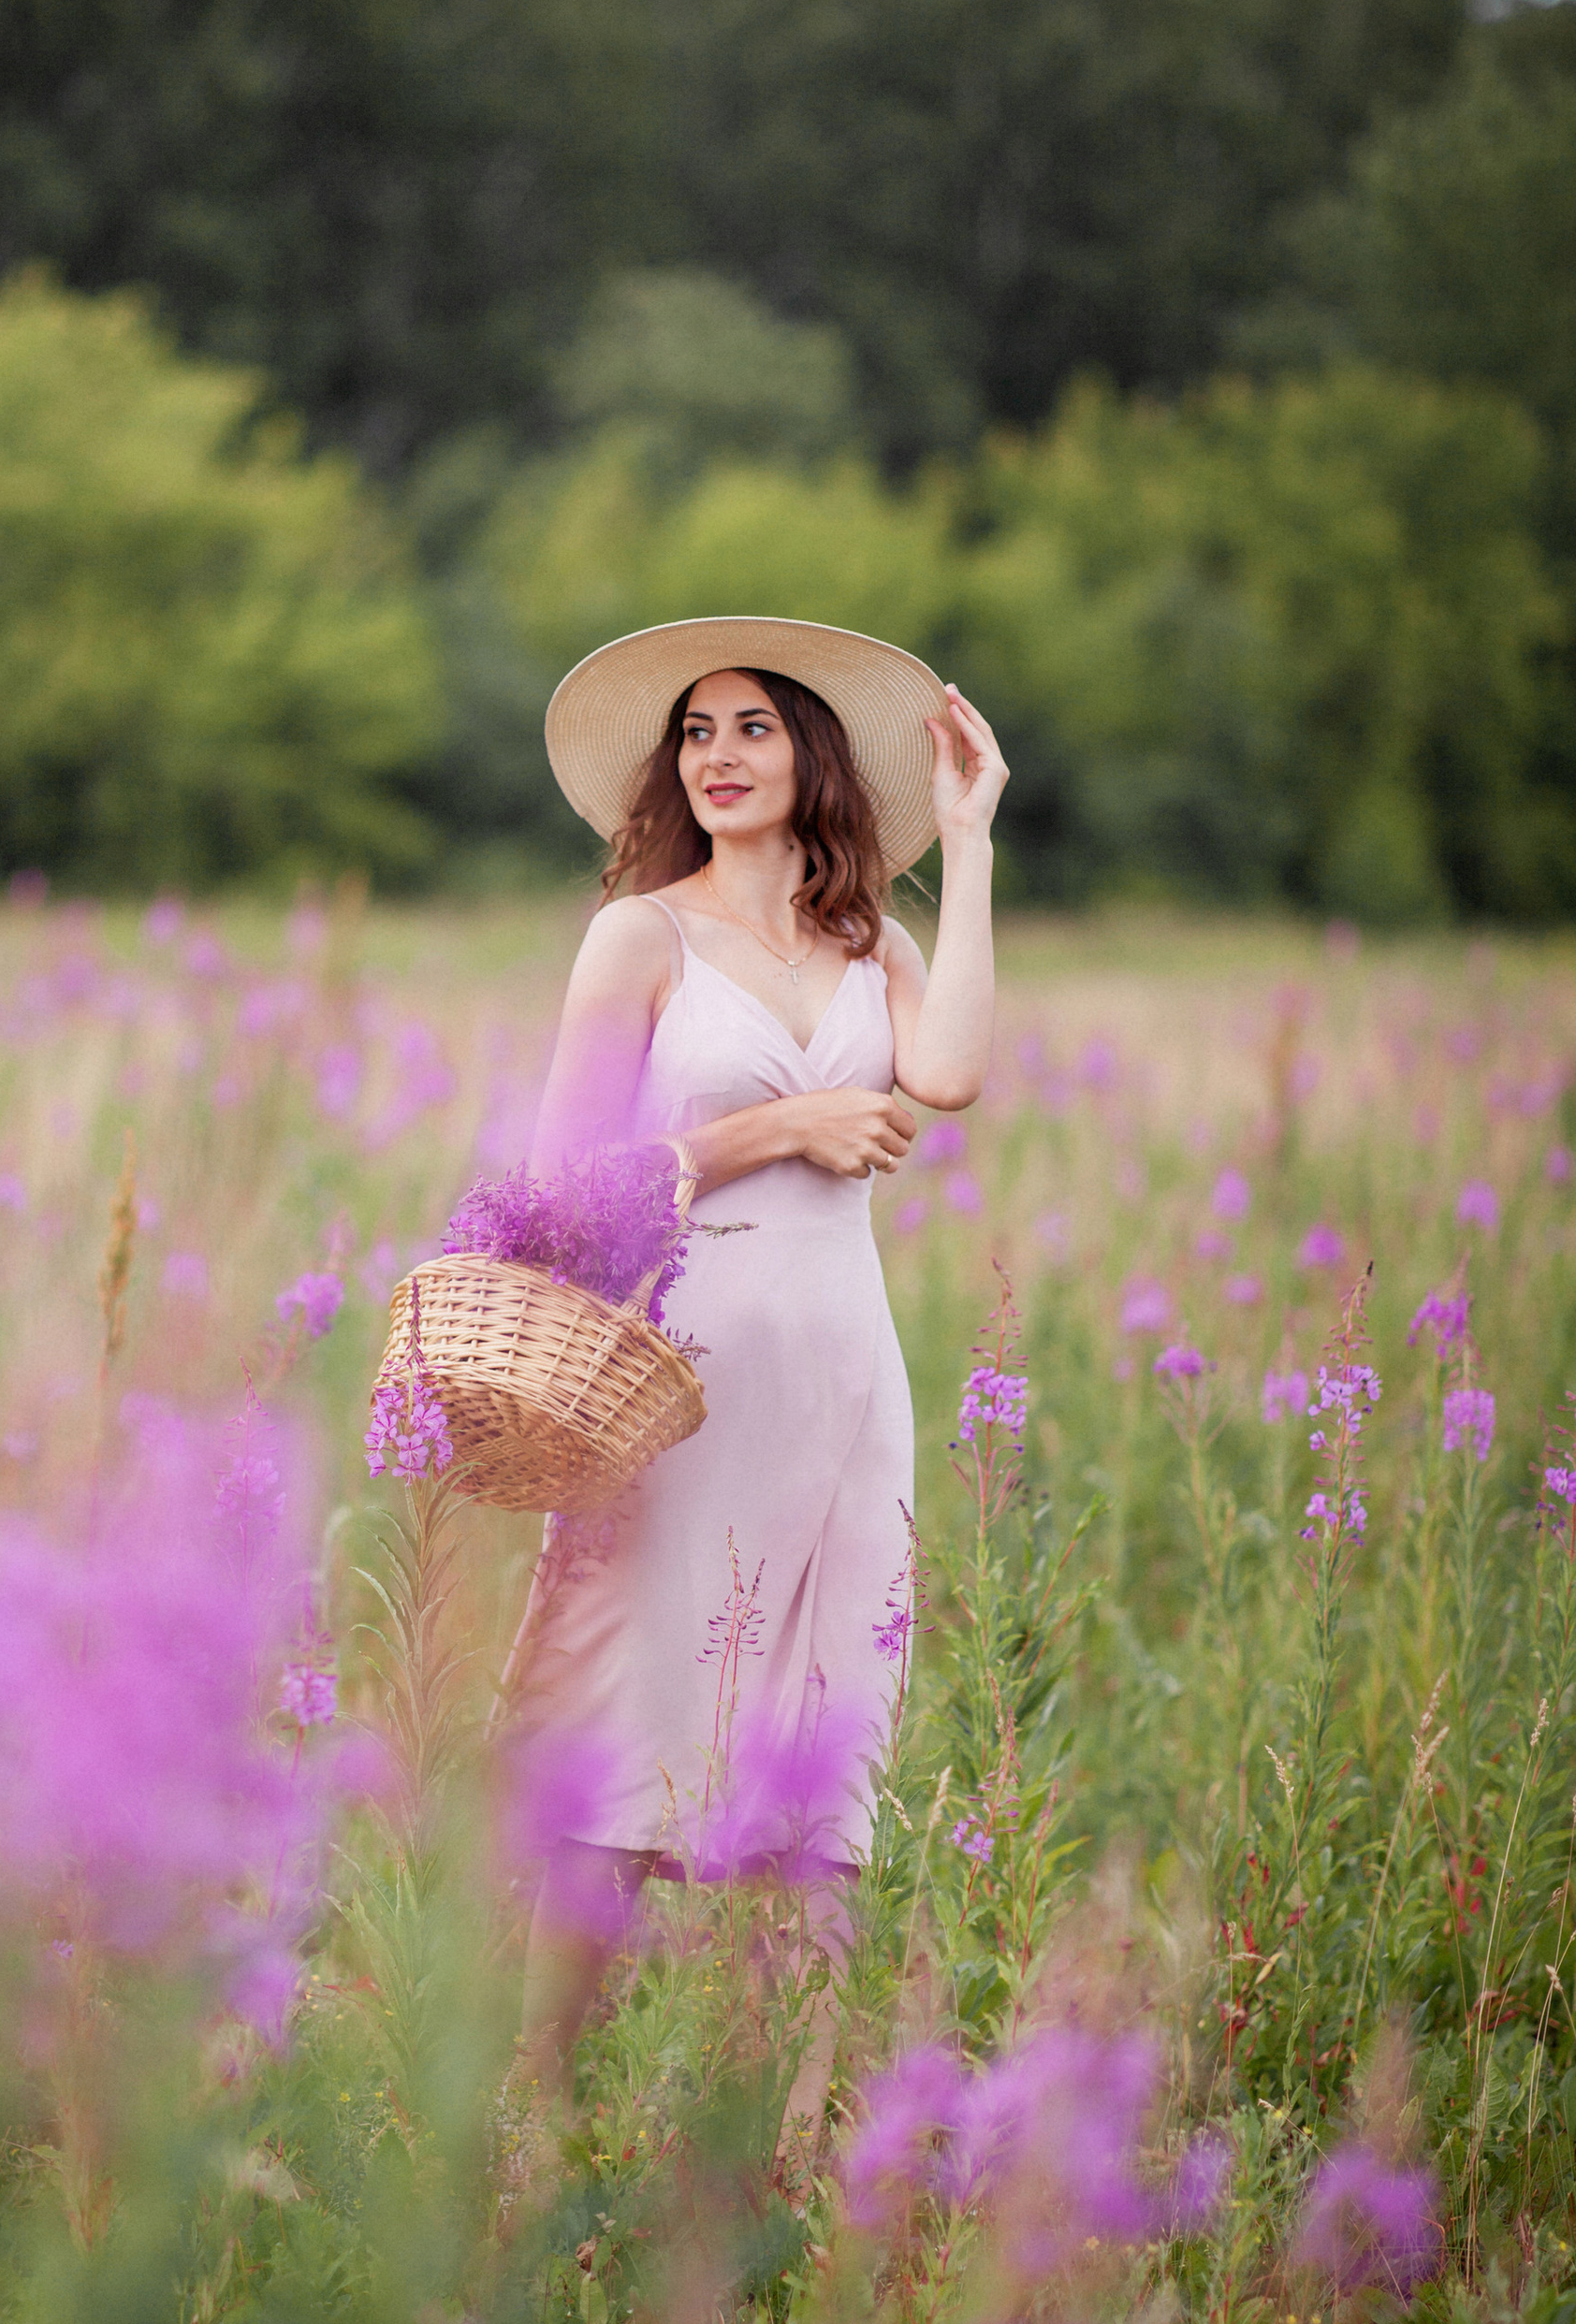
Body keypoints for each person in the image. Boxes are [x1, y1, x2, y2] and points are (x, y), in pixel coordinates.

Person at [508, 615, 1007, 2181]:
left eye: (753, 730)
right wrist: (774, 1131)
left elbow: (955, 1073)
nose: (717, 757)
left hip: (847, 1395)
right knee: (629, 1742)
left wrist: (974, 843)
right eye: (696, 733)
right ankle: (536, 2124)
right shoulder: (639, 938)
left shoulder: (873, 945)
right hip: (676, 1392)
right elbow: (557, 1184)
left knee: (820, 1762)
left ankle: (780, 2161)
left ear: (813, 758)